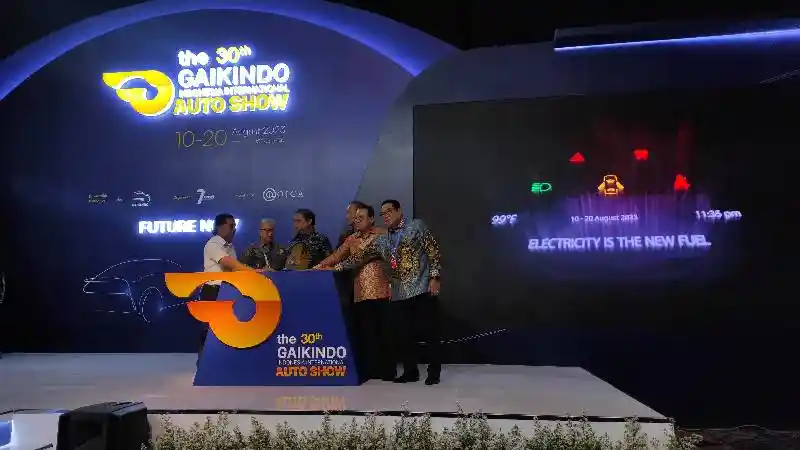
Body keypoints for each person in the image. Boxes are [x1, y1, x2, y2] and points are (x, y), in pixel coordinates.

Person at [342, 200, 443, 385]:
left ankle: (434, 372)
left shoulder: (416, 226)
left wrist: (435, 277)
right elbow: (359, 258)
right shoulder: (383, 240)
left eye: (389, 211)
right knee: (404, 335)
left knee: (429, 332)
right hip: (399, 293)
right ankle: (410, 372)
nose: (386, 216)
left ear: (399, 211)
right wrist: (336, 267)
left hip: (422, 287)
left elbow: (433, 251)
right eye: (383, 214)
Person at [316, 205, 394, 381]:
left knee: (384, 331)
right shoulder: (352, 239)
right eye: (356, 218)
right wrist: (318, 266)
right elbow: (336, 256)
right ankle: (371, 370)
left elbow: (360, 258)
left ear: (371, 219)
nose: (357, 221)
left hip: (382, 290)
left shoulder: (381, 235)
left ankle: (388, 370)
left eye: (361, 218)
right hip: (360, 292)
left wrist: (337, 267)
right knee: (367, 332)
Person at [198, 213, 260, 365]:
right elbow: (232, 265)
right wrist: (255, 272)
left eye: (235, 226)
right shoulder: (213, 244)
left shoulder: (230, 247)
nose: (234, 230)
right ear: (220, 227)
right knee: (209, 332)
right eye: (231, 226)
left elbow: (235, 270)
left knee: (226, 332)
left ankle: (222, 365)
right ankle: (204, 366)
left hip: (227, 292)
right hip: (213, 292)